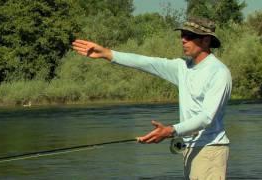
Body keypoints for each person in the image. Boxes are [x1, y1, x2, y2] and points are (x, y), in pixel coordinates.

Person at [72, 16, 232, 180]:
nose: (183, 40)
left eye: (189, 36)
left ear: (206, 40)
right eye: (182, 35)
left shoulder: (218, 72)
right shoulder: (183, 67)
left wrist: (170, 130)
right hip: (190, 148)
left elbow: (206, 118)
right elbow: (146, 62)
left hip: (210, 149)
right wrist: (107, 54)